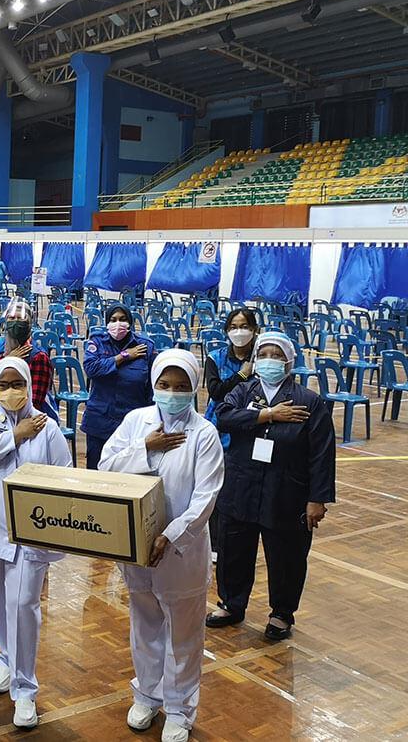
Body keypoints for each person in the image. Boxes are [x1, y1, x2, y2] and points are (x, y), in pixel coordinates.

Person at [98, 349, 224, 742]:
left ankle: (180, 709)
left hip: (180, 551)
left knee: (184, 635)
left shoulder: (204, 434)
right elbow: (105, 466)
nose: (173, 393)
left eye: (182, 386)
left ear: (194, 389)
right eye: (165, 385)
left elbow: (206, 497)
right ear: (154, 385)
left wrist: (170, 535)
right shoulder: (137, 422)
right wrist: (147, 448)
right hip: (137, 547)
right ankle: (148, 695)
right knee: (145, 623)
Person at [0, 358, 72, 729]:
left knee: (24, 605)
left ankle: (25, 690)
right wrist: (16, 435)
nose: (10, 391)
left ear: (28, 384)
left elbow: (64, 476)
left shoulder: (49, 427)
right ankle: (6, 659)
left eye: (16, 383)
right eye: (3, 384)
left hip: (30, 533)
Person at [208, 331, 335, 640]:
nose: (269, 361)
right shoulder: (242, 391)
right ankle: (232, 604)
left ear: (289, 361)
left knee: (287, 555)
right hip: (241, 485)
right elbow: (223, 417)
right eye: (263, 354)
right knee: (233, 549)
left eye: (277, 355)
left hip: (286, 490)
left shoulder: (308, 401)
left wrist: (317, 499)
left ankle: (281, 613)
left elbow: (321, 453)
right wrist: (267, 415)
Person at [82, 305, 155, 469]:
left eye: (122, 319)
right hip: (100, 422)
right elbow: (92, 369)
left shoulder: (145, 347)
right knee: (95, 473)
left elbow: (151, 387)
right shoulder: (97, 342)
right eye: (113, 320)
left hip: (132, 423)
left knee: (128, 471)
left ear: (130, 322)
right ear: (107, 323)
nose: (118, 324)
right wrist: (124, 356)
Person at [0, 298, 54, 413]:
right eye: (11, 318)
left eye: (20, 318)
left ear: (29, 323)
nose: (15, 321)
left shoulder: (38, 357)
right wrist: (6, 360)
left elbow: (35, 402)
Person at [204, 308, 259, 447]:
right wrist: (241, 375)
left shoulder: (261, 360)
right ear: (227, 331)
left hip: (251, 423)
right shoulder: (215, 358)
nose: (239, 331)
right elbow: (215, 393)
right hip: (219, 423)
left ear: (254, 329)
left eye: (244, 327)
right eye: (233, 327)